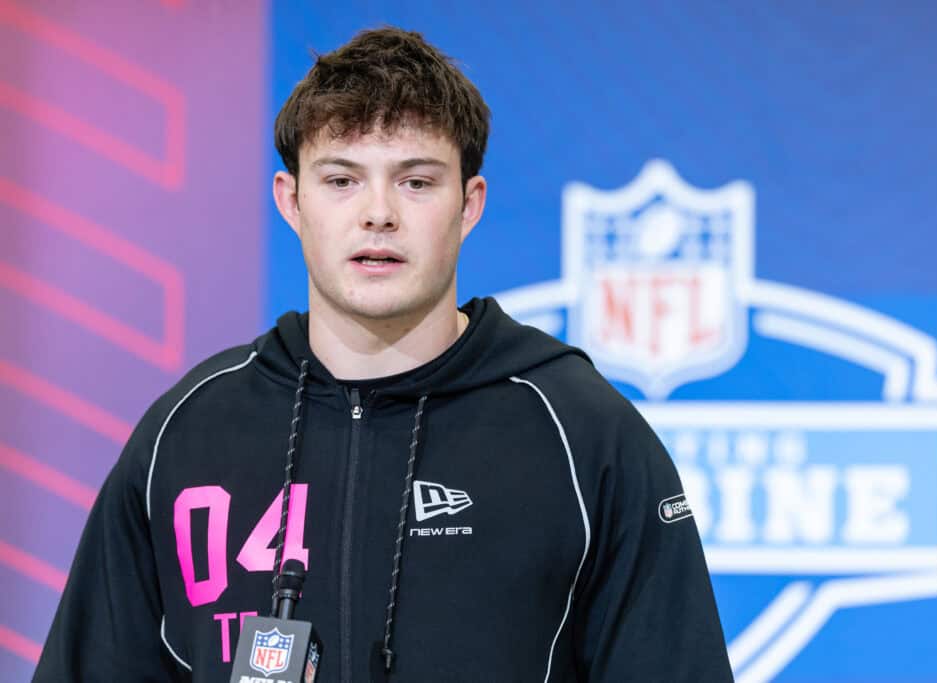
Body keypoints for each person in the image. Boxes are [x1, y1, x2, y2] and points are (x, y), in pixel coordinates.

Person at [35, 27, 733, 682]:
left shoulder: (582, 433)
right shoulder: (188, 432)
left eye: (416, 181)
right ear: (291, 200)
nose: (378, 214)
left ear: (469, 204)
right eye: (341, 180)